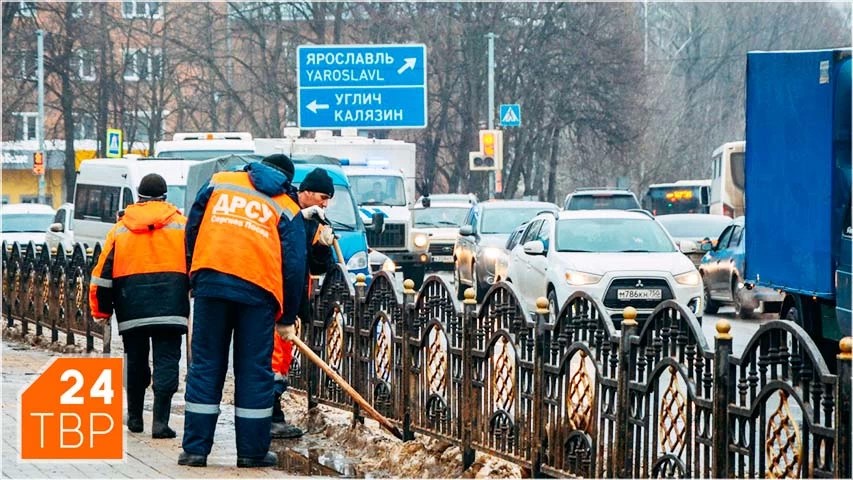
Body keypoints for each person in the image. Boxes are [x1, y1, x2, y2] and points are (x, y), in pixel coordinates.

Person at [179, 154, 306, 468]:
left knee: (206, 364)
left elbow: (192, 227)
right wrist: (288, 316)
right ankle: (251, 452)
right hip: (258, 291)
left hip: (210, 281)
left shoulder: (219, 183)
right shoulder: (287, 207)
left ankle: (195, 450)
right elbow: (294, 267)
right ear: (287, 181)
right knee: (253, 371)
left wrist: (193, 274)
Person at [89, 173, 189, 439]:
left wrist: (101, 310)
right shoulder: (181, 225)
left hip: (131, 306)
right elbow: (195, 262)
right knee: (167, 360)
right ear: (165, 197)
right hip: (171, 306)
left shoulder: (120, 229)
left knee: (135, 359)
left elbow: (102, 273)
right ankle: (160, 422)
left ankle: (134, 417)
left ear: (139, 197)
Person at [269, 165, 336, 439]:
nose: (325, 203)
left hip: (294, 300)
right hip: (276, 294)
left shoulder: (317, 221)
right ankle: (270, 416)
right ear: (305, 192)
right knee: (272, 359)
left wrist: (322, 246)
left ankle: (271, 413)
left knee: (282, 359)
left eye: (329, 199)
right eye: (322, 196)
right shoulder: (286, 210)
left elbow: (320, 267)